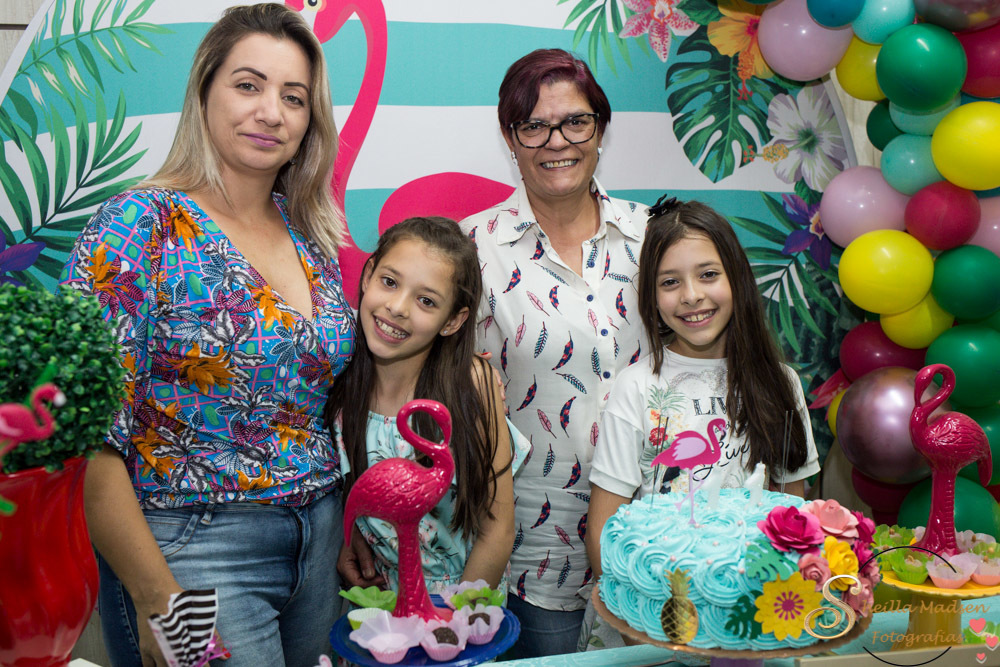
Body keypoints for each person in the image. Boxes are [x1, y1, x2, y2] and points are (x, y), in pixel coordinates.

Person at [60, 4, 354, 666]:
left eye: (294, 97)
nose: (271, 112)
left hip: (318, 544)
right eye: (248, 85)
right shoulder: (138, 225)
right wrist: (158, 599)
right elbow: (85, 437)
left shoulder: (312, 235)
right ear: (204, 91)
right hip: (194, 551)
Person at [457, 48, 649, 658]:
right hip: (536, 554)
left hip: (655, 543)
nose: (556, 141)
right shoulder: (471, 249)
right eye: (533, 126)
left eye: (575, 122)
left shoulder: (654, 238)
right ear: (509, 138)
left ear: (600, 128)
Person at [579, 197, 820, 650]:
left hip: (750, 619)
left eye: (708, 274)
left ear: (737, 278)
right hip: (654, 623)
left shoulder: (781, 383)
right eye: (670, 282)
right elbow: (603, 530)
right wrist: (644, 625)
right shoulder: (638, 387)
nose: (691, 295)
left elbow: (793, 511)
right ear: (652, 297)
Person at [326, 217, 519, 594]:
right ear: (368, 274)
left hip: (462, 600)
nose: (397, 307)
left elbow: (497, 529)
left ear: (453, 321)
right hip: (380, 605)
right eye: (389, 282)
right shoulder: (342, 375)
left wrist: (454, 619)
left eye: (426, 301)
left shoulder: (471, 385)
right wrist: (350, 539)